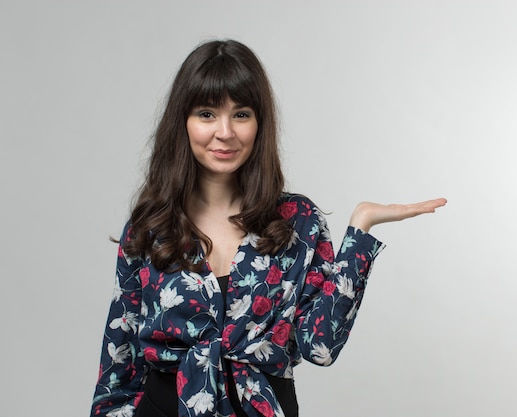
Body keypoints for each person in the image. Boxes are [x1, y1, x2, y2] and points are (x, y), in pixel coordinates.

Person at [90, 39, 446, 417]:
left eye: (241, 114)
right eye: (207, 113)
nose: (225, 132)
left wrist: (361, 228)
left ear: (260, 123)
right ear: (183, 122)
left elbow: (320, 347)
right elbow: (119, 360)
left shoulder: (297, 221)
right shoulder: (149, 227)